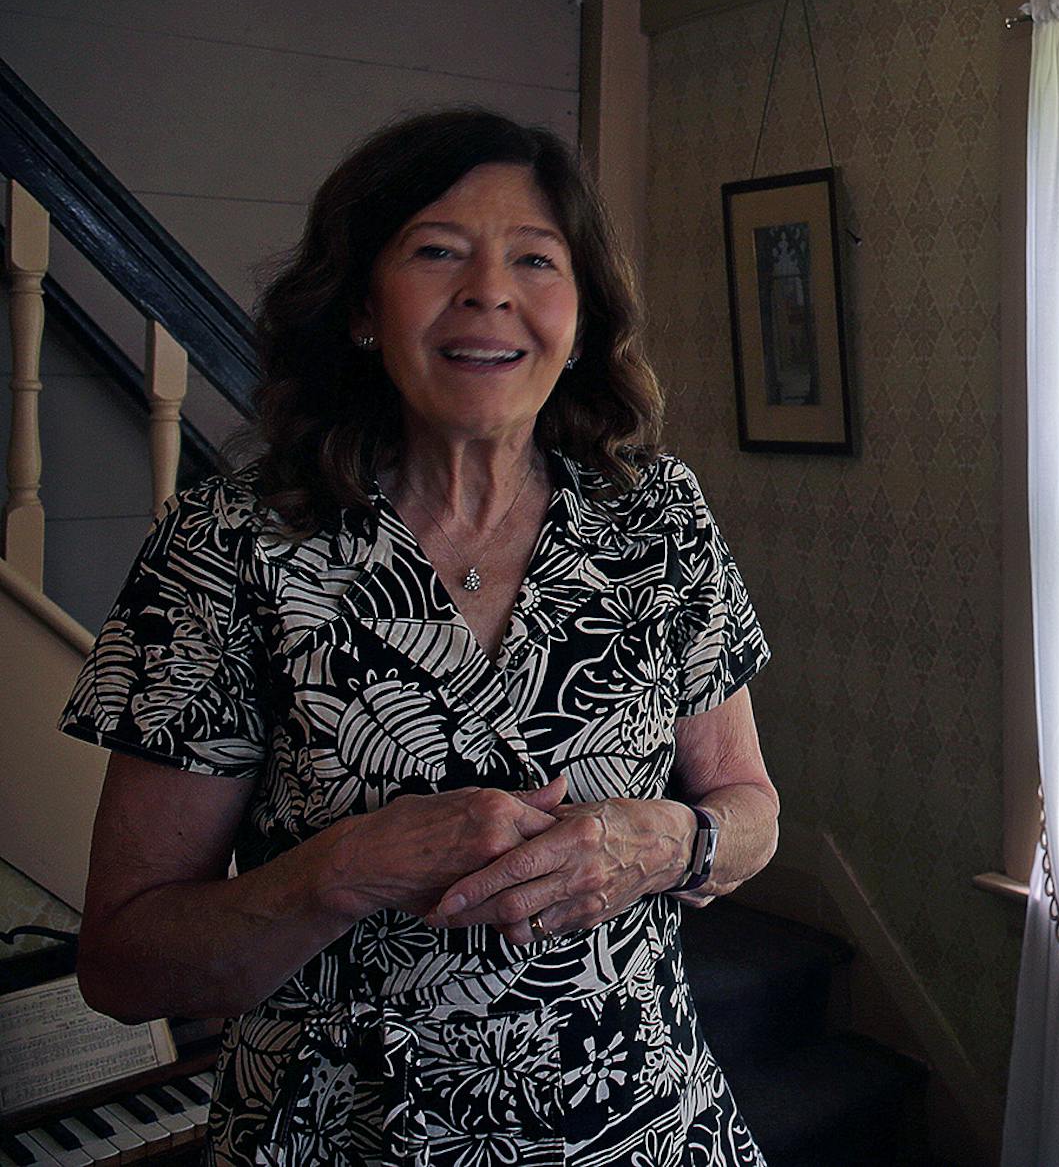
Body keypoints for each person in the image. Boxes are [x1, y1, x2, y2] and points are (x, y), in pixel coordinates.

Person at [58, 110, 778, 1165]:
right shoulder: (230, 545)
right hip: (341, 1135)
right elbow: (122, 963)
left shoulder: (657, 516)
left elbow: (749, 809)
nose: (490, 290)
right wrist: (339, 869)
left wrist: (668, 842)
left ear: (578, 315)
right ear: (360, 305)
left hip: (637, 1124)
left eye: (535, 258)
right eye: (438, 250)